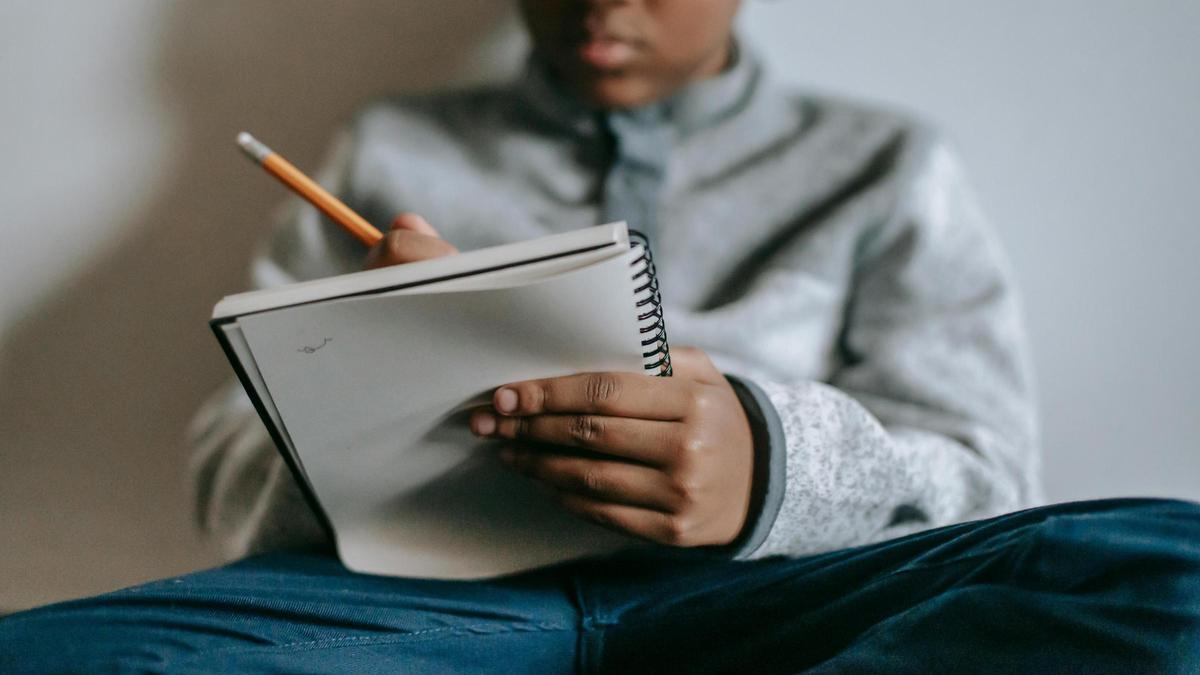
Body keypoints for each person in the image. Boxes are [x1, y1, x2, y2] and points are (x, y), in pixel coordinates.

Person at [3, 0, 1199, 672]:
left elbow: (991, 479)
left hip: (777, 605)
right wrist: (371, 376)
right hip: (426, 614)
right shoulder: (393, 147)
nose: (602, 1)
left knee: (1169, 567)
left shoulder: (886, 165)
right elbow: (225, 461)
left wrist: (773, 464)